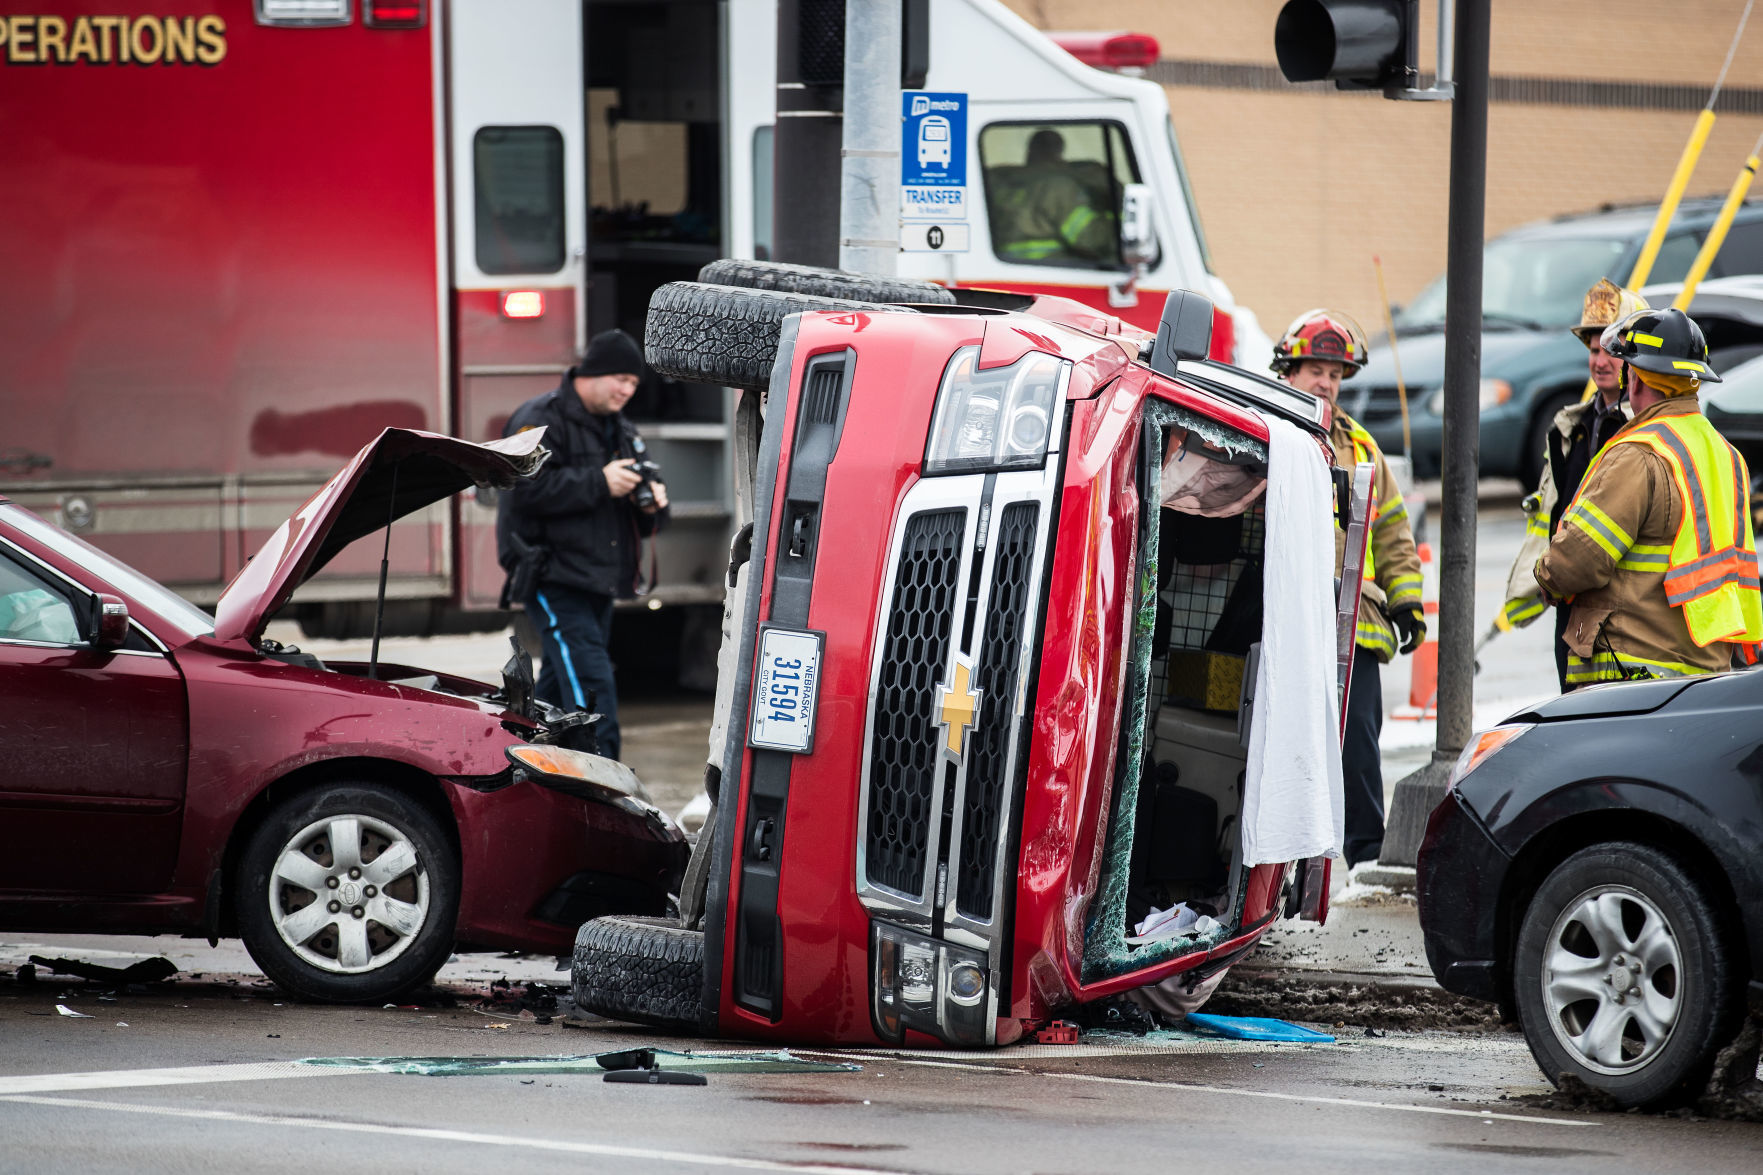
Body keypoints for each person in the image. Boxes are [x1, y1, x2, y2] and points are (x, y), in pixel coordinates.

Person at [1272, 309, 1425, 869]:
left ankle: (1365, 856)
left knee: (1358, 743)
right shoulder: (1265, 433)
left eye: (1335, 373)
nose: (1327, 383)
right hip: (1280, 622)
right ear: (1287, 371)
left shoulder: (1361, 449)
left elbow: (1391, 531)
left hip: (1353, 621)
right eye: (1315, 369)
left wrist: (1406, 599)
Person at [1536, 307, 1761, 686]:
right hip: (1707, 672)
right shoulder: (1727, 455)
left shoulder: (1639, 454)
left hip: (1630, 672)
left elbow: (1578, 559)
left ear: (1636, 380)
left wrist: (1545, 576)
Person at [497, 329, 669, 760]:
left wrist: (654, 505)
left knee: (561, 679)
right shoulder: (539, 418)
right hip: (553, 573)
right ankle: (607, 775)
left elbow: (645, 512)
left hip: (599, 579)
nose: (628, 391)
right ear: (592, 374)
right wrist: (600, 481)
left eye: (634, 384)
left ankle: (524, 758)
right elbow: (519, 488)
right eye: (621, 380)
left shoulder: (623, 430)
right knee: (591, 680)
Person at [1498, 280, 1647, 692]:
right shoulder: (1571, 428)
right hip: (1571, 604)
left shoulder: (1648, 431)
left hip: (1626, 611)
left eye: (1611, 351)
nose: (1600, 361)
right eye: (1594, 350)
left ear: (1637, 357)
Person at [995, 128, 1114, 266]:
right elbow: (1091, 240)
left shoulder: (1001, 182)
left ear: (1030, 151)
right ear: (1058, 151)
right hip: (1051, 269)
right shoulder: (1057, 187)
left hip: (1010, 269)